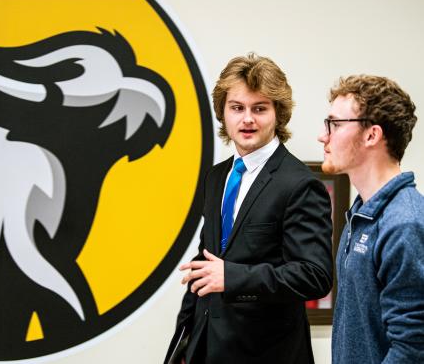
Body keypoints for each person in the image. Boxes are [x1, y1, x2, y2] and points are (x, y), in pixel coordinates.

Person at [165, 53, 333, 364]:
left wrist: (234, 277)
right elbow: (208, 264)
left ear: (278, 114)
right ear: (223, 112)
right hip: (207, 348)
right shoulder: (216, 177)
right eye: (237, 108)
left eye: (259, 109)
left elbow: (314, 276)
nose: (247, 119)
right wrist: (182, 346)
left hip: (267, 353)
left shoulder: (299, 184)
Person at [318, 75, 424, 363]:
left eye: (335, 125)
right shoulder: (361, 215)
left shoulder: (405, 223)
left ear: (371, 135)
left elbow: (412, 350)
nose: (323, 136)